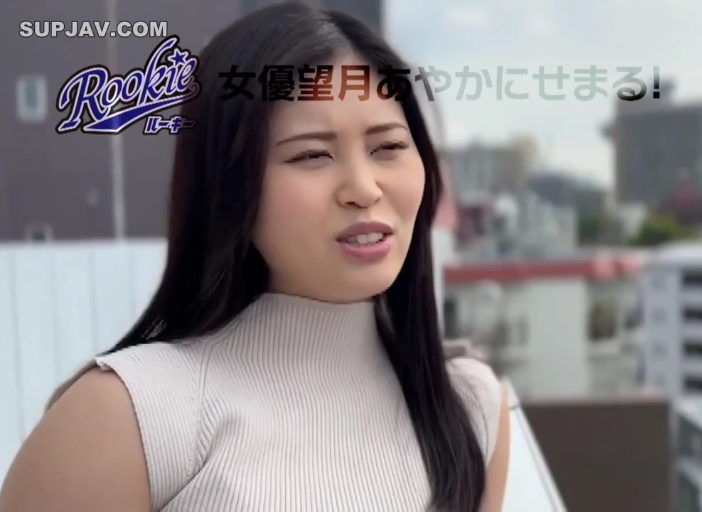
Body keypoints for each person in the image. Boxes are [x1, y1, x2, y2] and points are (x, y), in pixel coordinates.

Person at [0, 4, 510, 511]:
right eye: (311, 155)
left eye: (388, 147)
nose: (363, 188)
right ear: (228, 186)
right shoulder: (127, 416)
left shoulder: (470, 406)